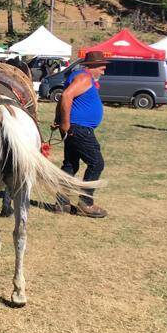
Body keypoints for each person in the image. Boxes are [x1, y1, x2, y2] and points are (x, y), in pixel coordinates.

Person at [55, 50, 109, 218]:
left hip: (75, 128)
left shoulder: (80, 77)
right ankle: (86, 204)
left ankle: (61, 203)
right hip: (79, 129)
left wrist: (60, 120)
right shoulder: (84, 78)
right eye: (102, 67)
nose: (103, 70)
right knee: (96, 163)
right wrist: (64, 123)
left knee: (71, 165)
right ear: (92, 66)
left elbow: (65, 98)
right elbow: (66, 96)